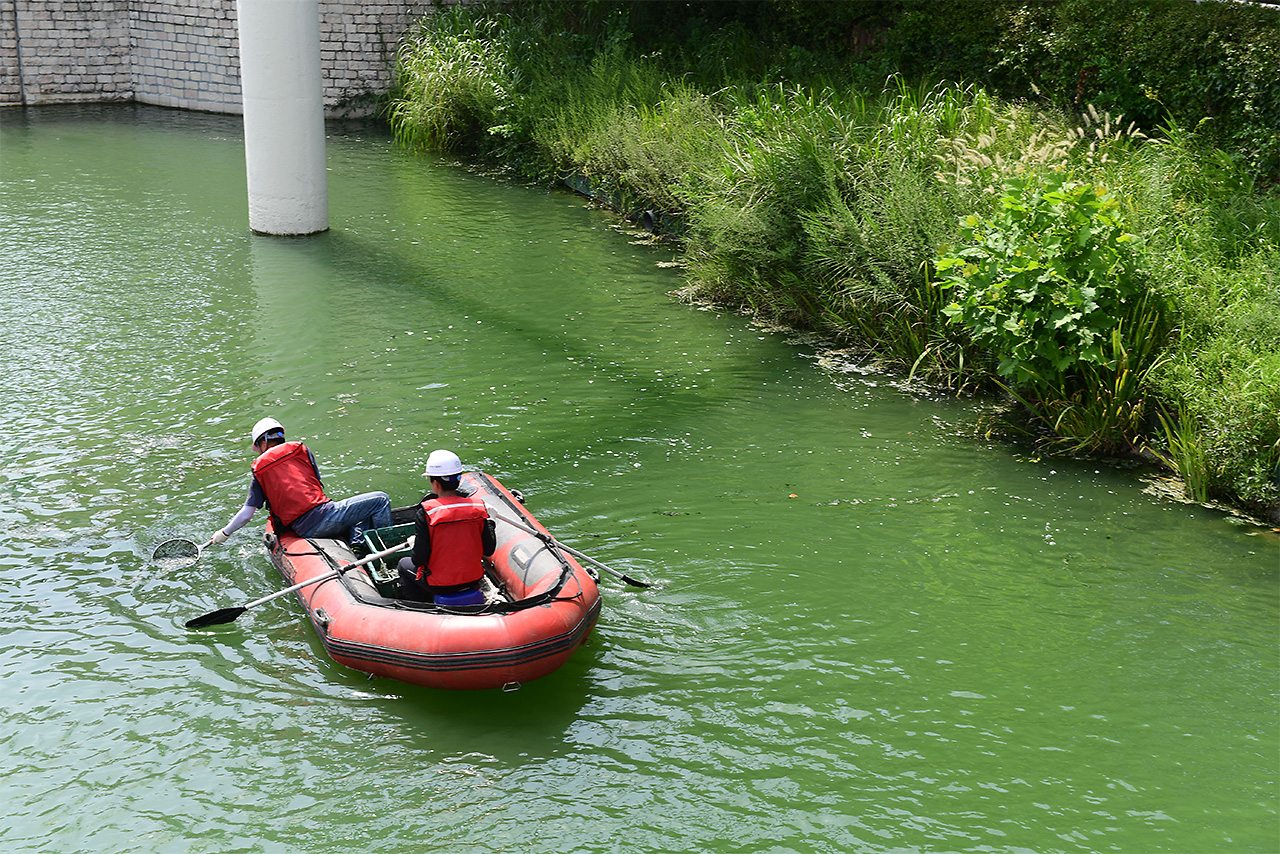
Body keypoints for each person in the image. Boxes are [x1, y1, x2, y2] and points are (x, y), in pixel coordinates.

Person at [210, 416, 392, 554]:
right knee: (380, 500)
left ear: (262, 442)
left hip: (302, 527)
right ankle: (388, 550)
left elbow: (246, 515)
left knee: (361, 509)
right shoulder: (301, 450)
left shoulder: (259, 470)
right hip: (322, 518)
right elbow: (316, 487)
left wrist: (224, 533)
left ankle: (358, 548)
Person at [397, 449, 495, 603]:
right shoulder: (479, 508)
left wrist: (415, 545)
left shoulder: (426, 513)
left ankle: (419, 607)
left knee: (403, 564)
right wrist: (490, 522)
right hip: (473, 580)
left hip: (440, 585)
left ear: (435, 483)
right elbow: (489, 549)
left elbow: (418, 560)